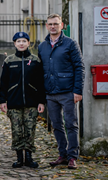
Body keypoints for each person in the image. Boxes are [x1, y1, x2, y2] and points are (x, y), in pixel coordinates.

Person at [38, 13, 85, 170]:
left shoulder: (70, 44)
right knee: (57, 125)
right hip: (50, 93)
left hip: (67, 92)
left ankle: (72, 156)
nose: (53, 26)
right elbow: (39, 71)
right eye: (50, 24)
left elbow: (79, 67)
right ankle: (62, 155)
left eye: (56, 24)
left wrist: (77, 91)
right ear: (46, 26)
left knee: (71, 124)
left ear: (62, 25)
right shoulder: (42, 46)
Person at [0, 32, 46, 168]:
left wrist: (41, 101)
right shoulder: (9, 60)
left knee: (30, 130)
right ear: (14, 44)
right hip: (14, 103)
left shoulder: (35, 60)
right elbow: (4, 82)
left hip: (32, 103)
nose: (21, 43)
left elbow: (40, 82)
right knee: (17, 131)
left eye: (24, 41)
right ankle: (19, 157)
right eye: (18, 41)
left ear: (28, 43)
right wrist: (3, 100)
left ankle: (29, 157)